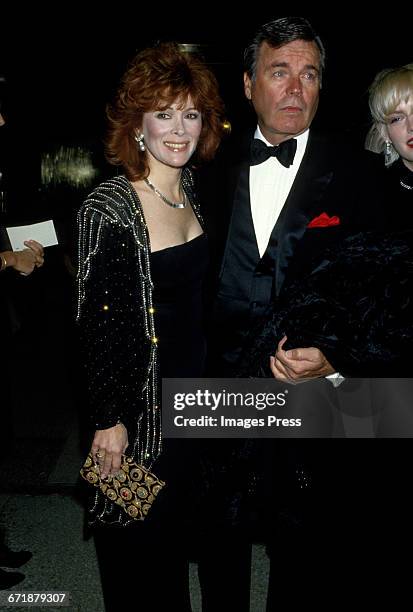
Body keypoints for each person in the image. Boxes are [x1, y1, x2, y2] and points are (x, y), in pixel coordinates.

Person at [199, 16, 388, 608]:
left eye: (309, 75)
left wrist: (339, 354)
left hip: (310, 391)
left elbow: (382, 287)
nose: (295, 89)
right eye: (279, 72)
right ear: (251, 83)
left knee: (303, 543)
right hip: (219, 383)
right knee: (217, 537)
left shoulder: (359, 174)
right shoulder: (202, 167)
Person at [76, 42, 254, 611]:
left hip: (198, 401)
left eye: (191, 114)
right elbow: (92, 325)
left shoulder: (195, 190)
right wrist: (108, 419)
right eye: (163, 113)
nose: (178, 129)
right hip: (135, 411)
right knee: (135, 558)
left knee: (180, 539)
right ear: (136, 125)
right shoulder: (108, 207)